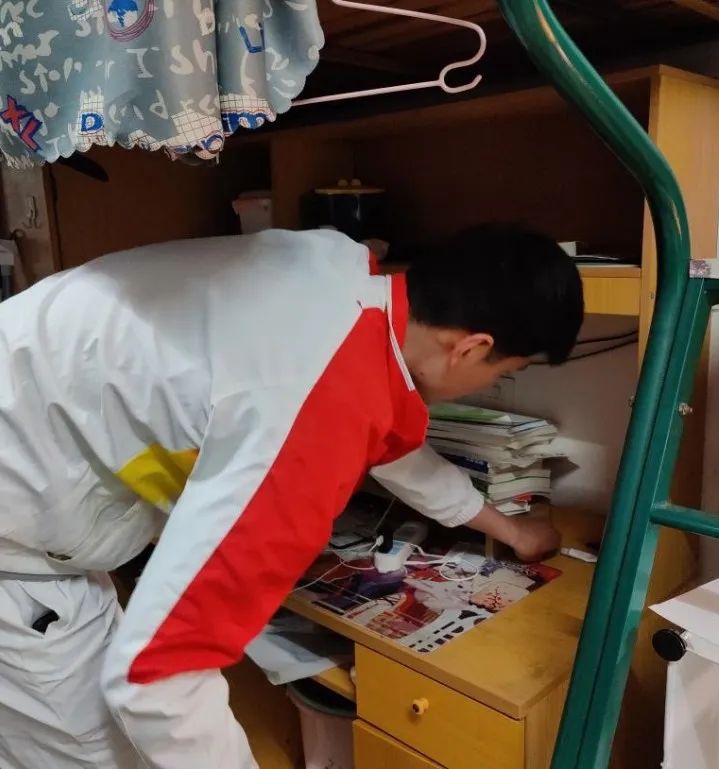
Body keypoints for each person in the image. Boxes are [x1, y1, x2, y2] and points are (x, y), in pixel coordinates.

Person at [0, 223, 583, 769]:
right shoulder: (311, 420)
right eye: (503, 372)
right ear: (471, 347)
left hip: (41, 449)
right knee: (94, 749)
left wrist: (511, 530)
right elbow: (159, 677)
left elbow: (384, 434)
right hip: (20, 533)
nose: (492, 382)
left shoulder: (343, 272)